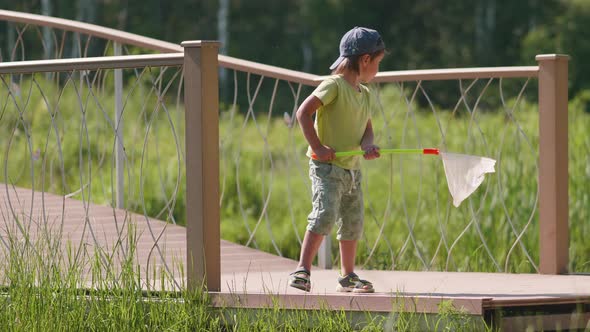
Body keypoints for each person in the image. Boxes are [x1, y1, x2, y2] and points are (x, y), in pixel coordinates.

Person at [289, 27, 385, 293]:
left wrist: (368, 146)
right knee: (324, 214)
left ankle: (348, 274)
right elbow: (303, 113)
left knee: (353, 222)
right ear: (365, 60)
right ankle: (302, 269)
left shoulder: (364, 94)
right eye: (377, 63)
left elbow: (367, 128)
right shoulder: (334, 86)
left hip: (352, 170)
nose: (377, 70)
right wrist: (317, 147)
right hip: (327, 168)